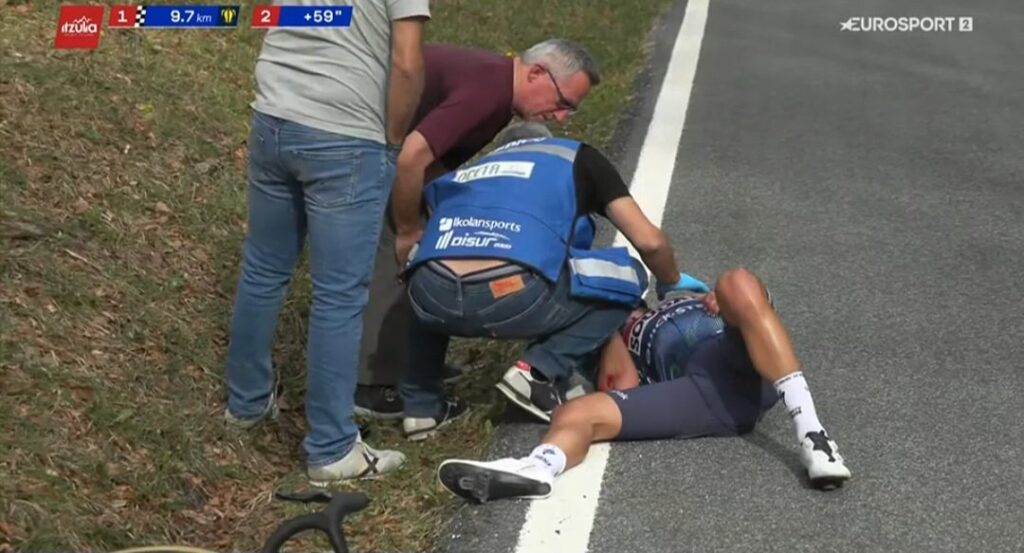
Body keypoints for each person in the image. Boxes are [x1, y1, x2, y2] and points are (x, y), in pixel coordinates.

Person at [221, 0, 430, 485]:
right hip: (346, 134)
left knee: (263, 271)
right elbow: (407, 61)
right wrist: (392, 140)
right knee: (339, 296)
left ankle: (246, 403)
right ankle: (333, 448)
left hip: (273, 116)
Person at [396, 122, 710, 440]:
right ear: (546, 142)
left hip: (431, 293)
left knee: (428, 272)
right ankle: (537, 371)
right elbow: (650, 242)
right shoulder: (572, 157)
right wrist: (671, 281)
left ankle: (421, 407)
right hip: (509, 291)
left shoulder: (471, 172)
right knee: (626, 273)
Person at [436, 268, 853, 499]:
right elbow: (625, 387)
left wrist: (722, 302)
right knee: (575, 413)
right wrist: (612, 340)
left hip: (738, 357)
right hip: (701, 396)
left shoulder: (683, 295)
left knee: (737, 282)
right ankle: (538, 468)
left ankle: (813, 436)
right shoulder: (601, 339)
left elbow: (754, 301)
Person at [355, 39, 604, 419]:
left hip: (378, 138)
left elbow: (433, 157)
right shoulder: (491, 90)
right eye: (563, 102)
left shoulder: (497, 91)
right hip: (360, 139)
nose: (561, 117)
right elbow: (410, 159)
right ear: (537, 73)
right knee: (401, 253)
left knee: (434, 232)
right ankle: (373, 386)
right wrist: (407, 228)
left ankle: (413, 365)